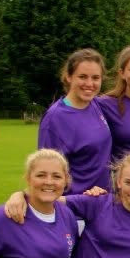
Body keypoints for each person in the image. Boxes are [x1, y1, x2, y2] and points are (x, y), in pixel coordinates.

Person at [38, 48, 112, 193]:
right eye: (83, 77)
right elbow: (45, 171)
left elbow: (127, 96)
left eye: (95, 78)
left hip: (102, 202)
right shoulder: (55, 118)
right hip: (75, 206)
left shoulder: (97, 105)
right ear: (68, 77)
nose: (89, 84)